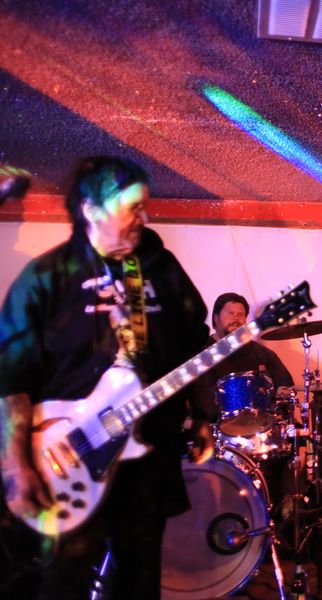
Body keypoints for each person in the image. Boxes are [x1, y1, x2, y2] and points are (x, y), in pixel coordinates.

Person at [0, 156, 217, 599]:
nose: (145, 218)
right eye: (133, 208)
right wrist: (15, 464)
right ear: (91, 210)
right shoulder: (47, 277)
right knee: (61, 584)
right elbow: (11, 377)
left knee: (139, 581)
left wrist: (203, 414)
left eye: (145, 207)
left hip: (146, 456)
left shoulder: (162, 269)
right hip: (65, 458)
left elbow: (194, 343)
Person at [207, 291, 294, 391]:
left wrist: (282, 390)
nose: (236, 319)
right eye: (230, 313)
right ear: (216, 317)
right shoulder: (200, 351)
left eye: (241, 315)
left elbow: (285, 385)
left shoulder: (261, 353)